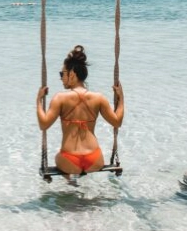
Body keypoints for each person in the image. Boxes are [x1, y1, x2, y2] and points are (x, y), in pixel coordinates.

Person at [36, 45, 124, 175]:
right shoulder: (99, 98)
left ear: (72, 74)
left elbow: (43, 125)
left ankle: (71, 183)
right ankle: (75, 184)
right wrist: (121, 98)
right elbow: (117, 122)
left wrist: (38, 100)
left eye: (62, 74)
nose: (61, 78)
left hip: (69, 160)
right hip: (94, 159)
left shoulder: (60, 98)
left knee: (57, 158)